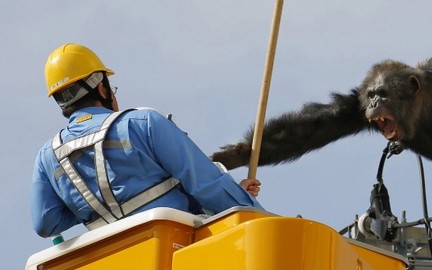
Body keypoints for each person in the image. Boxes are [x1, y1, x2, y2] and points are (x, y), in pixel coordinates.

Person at [30, 43, 263, 238]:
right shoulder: (142, 123)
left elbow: (46, 223)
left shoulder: (47, 157)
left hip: (114, 265)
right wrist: (252, 211)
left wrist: (89, 206)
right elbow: (207, 185)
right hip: (175, 248)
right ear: (102, 87)